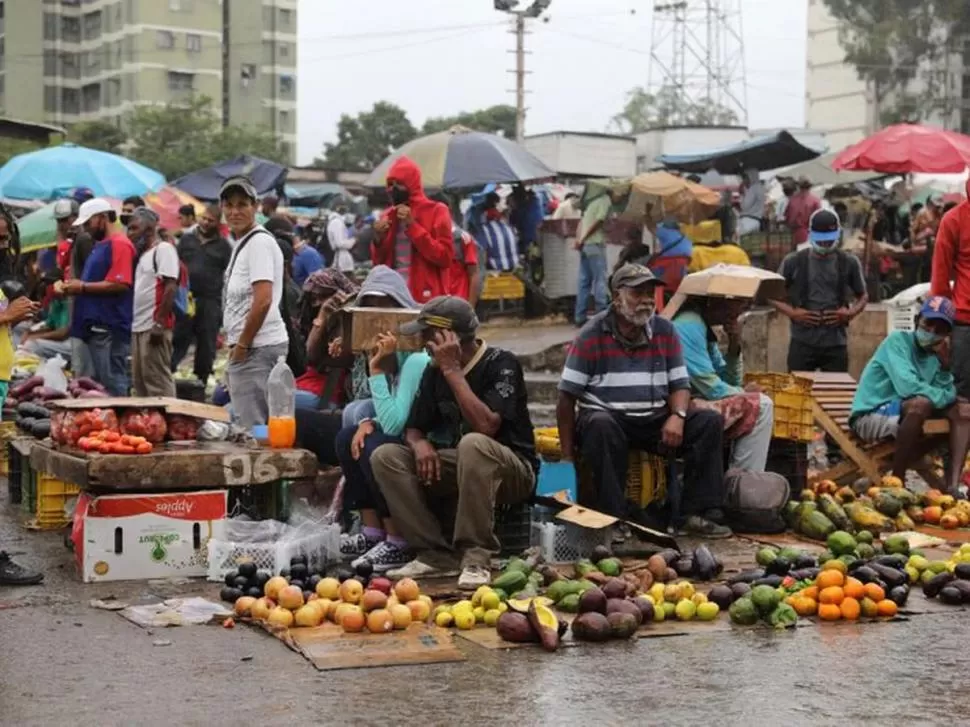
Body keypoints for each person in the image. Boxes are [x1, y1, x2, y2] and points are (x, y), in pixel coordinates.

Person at [370, 296, 536, 588]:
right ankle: (434, 554)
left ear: (448, 336)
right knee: (386, 455)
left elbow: (486, 426)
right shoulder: (433, 372)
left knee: (473, 443)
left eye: (426, 334)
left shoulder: (502, 364)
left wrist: (452, 370)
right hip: (464, 465)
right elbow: (413, 428)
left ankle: (476, 556)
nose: (421, 342)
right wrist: (418, 443)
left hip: (512, 471)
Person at [556, 263, 729, 537]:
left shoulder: (664, 331)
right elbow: (566, 398)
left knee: (708, 422)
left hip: (653, 418)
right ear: (616, 297)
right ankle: (613, 520)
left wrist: (678, 415)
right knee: (600, 425)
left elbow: (680, 384)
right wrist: (566, 457)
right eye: (638, 293)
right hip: (608, 418)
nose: (647, 300)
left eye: (650, 293)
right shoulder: (591, 335)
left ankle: (694, 513)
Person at [334, 326, 431, 572]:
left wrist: (375, 371)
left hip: (425, 446)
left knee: (375, 446)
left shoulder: (416, 360)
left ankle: (397, 541)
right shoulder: (400, 361)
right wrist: (370, 422)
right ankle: (372, 533)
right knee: (349, 438)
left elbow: (394, 424)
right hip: (407, 435)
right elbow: (398, 415)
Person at [851, 296, 970, 493]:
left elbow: (949, 391)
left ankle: (952, 486)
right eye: (928, 324)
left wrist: (946, 366)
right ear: (917, 321)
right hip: (870, 416)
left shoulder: (936, 356)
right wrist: (943, 398)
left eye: (939, 329)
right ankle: (897, 481)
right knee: (921, 404)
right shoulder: (897, 341)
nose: (931, 332)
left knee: (964, 410)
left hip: (904, 416)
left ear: (947, 334)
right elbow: (908, 388)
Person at [672, 296, 774, 472]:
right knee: (762, 405)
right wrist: (743, 392)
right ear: (717, 301)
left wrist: (734, 340)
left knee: (756, 400)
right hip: (678, 407)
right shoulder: (690, 324)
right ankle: (743, 484)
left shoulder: (704, 327)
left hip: (696, 400)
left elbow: (728, 380)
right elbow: (712, 388)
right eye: (738, 303)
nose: (739, 311)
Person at [221, 176, 289, 429]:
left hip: (257, 349)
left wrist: (242, 345)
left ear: (256, 206)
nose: (235, 211)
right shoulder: (245, 242)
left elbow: (263, 300)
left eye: (242, 204)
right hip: (251, 347)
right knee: (256, 426)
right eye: (229, 205)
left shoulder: (259, 242)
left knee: (256, 429)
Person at [773, 209, 868, 373]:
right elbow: (771, 296)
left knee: (835, 391)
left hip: (836, 343)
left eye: (829, 241)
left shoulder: (849, 262)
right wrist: (793, 313)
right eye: (821, 241)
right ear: (810, 234)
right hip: (802, 341)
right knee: (797, 393)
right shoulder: (793, 261)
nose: (825, 245)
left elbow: (863, 295)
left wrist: (850, 313)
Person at [60, 198, 136, 395]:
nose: (86, 228)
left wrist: (82, 287)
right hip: (96, 328)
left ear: (103, 218)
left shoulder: (120, 244)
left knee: (113, 383)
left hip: (109, 328)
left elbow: (120, 283)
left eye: (88, 222)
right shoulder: (101, 244)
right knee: (98, 386)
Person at [371, 156, 453, 304]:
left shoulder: (437, 211)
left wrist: (412, 226)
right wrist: (378, 239)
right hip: (394, 295)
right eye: (391, 184)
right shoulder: (387, 215)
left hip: (427, 297)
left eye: (400, 184)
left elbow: (444, 257)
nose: (394, 189)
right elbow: (379, 263)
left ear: (412, 184)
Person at [172, 203, 232, 385]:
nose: (205, 223)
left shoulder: (224, 246)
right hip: (186, 298)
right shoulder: (187, 240)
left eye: (210, 221)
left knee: (207, 342)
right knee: (179, 338)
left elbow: (228, 273)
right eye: (203, 218)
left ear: (217, 224)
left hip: (210, 300)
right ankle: (168, 371)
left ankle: (202, 379)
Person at [128, 208, 178, 397]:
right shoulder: (143, 255)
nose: (130, 233)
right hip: (139, 327)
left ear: (149, 230)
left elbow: (170, 286)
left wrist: (159, 323)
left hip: (153, 327)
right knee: (141, 382)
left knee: (157, 382)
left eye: (134, 228)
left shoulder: (163, 250)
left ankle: (169, 421)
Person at [931, 179, 970, 399]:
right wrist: (940, 326)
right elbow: (940, 278)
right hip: (965, 322)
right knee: (963, 396)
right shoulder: (953, 220)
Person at [574, 188, 619, 326]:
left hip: (585, 246)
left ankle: (579, 317)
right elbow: (599, 221)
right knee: (600, 280)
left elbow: (581, 223)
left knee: (584, 282)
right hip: (595, 244)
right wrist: (585, 237)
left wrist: (579, 240)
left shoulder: (592, 202)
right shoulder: (605, 201)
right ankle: (602, 316)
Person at [430, 193, 481, 306]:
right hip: (433, 306)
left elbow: (474, 274)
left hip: (457, 306)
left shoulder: (462, 238)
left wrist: (470, 308)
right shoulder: (424, 238)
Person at [21, 269, 71, 360]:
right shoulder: (55, 300)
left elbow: (62, 333)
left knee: (32, 345)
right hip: (60, 340)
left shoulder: (68, 302)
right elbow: (50, 325)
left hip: (69, 343)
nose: (49, 287)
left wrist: (36, 336)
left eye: (52, 284)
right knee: (25, 335)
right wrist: (30, 333)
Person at [784, 177, 822, 246]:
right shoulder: (815, 201)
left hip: (794, 235)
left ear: (798, 186)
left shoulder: (792, 200)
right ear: (810, 187)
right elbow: (819, 219)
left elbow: (787, 218)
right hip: (811, 235)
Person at [737, 167, 765, 237]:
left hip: (748, 221)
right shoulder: (759, 187)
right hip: (756, 221)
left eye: (745, 178)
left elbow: (744, 206)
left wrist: (742, 194)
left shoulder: (753, 188)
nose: (744, 181)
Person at [327, 206, 356, 274]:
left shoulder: (336, 221)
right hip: (341, 259)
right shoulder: (337, 222)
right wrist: (353, 241)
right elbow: (340, 243)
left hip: (341, 257)